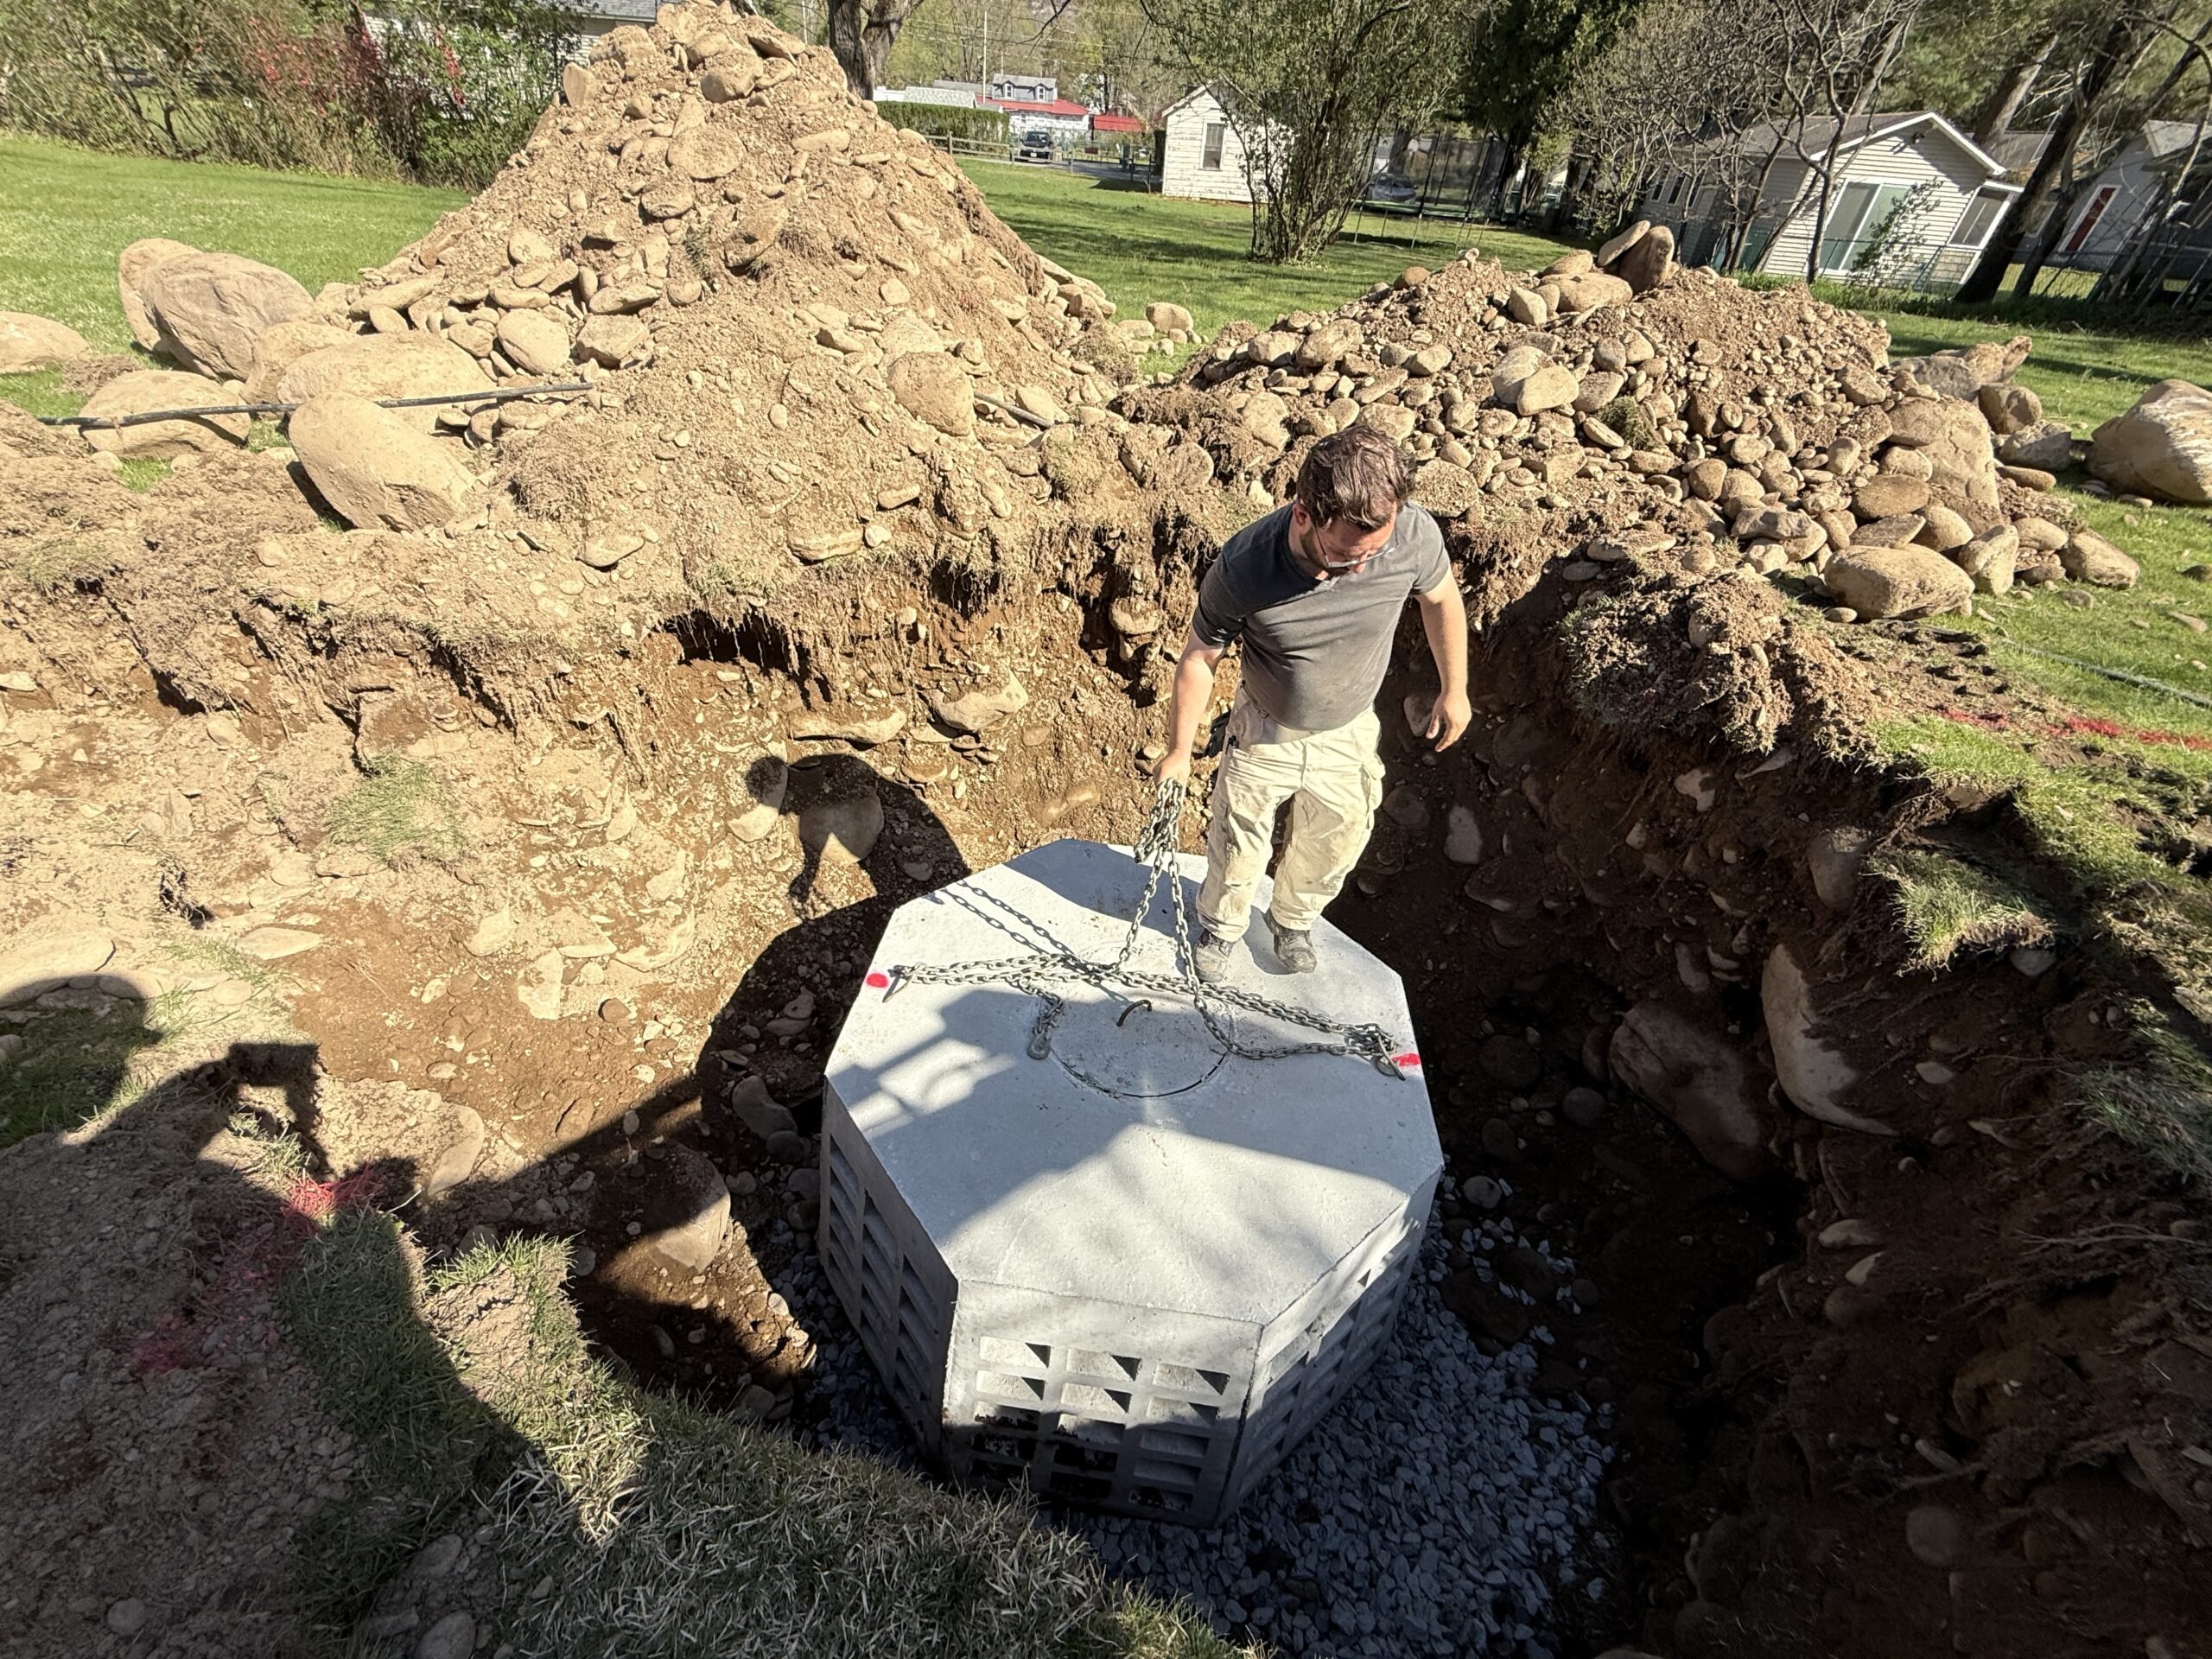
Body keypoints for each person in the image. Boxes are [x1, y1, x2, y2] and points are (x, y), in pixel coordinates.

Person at [1154, 425, 1471, 983]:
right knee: (1240, 836)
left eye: (1375, 553)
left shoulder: (1412, 536)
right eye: (1346, 558)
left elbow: (1441, 599)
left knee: (1339, 837)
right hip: (1266, 725)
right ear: (1304, 514)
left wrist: (1455, 687)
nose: (1364, 570)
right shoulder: (1247, 566)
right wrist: (1181, 749)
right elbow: (1201, 656)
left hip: (1347, 728)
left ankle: (1292, 919)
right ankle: (1222, 928)